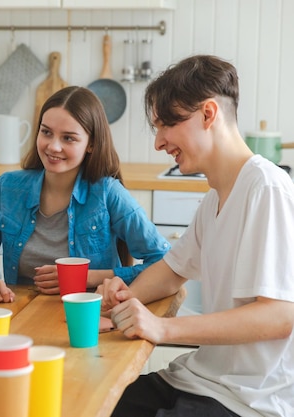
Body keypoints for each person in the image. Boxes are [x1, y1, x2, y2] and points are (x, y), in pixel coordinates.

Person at [98, 55, 294, 417]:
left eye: (166, 125)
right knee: (95, 401)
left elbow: (279, 317)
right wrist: (121, 302)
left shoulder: (266, 188)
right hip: (200, 379)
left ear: (208, 114)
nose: (159, 143)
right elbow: (173, 269)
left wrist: (162, 327)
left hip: (248, 401)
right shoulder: (215, 197)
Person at [0, 86, 170, 303]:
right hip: (19, 314)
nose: (53, 146)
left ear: (91, 144)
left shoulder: (108, 193)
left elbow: (165, 262)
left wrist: (85, 277)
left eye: (68, 138)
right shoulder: (7, 187)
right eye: (46, 132)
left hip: (91, 318)